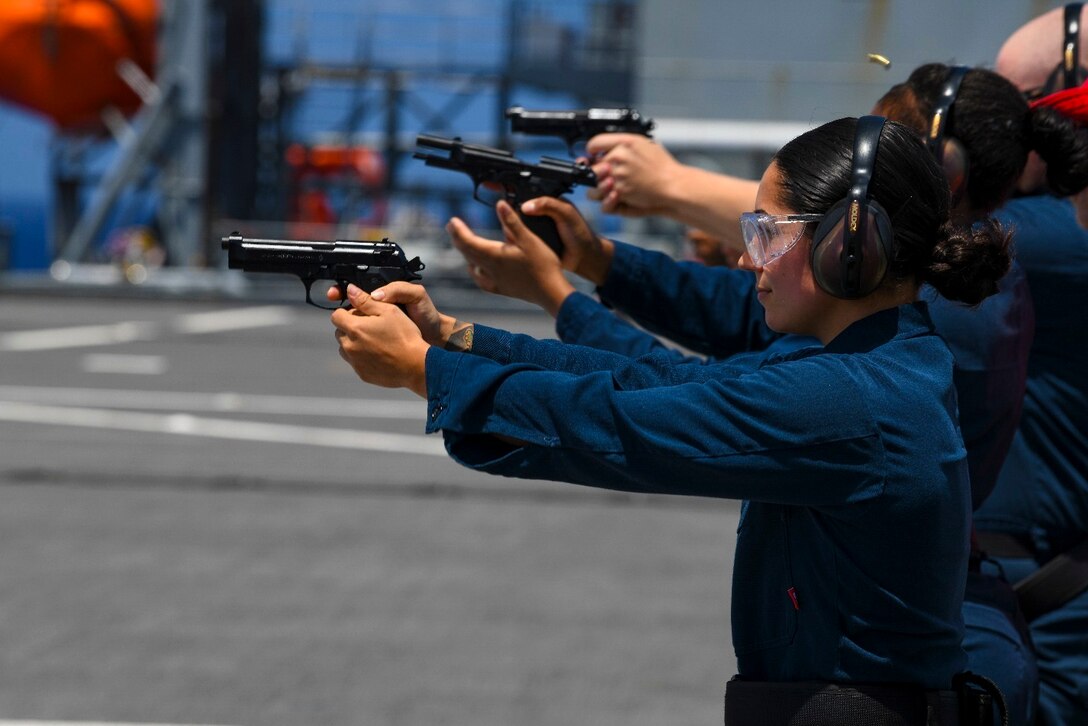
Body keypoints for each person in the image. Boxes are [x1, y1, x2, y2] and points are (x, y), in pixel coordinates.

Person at [448, 62, 1088, 725]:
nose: (752, 261)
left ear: (856, 234)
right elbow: (703, 364)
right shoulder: (892, 325)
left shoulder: (874, 371)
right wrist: (557, 287)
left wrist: (440, 368)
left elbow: (658, 411)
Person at [332, 117, 1012, 723]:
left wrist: (428, 374)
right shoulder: (877, 366)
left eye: (767, 233)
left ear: (849, 244)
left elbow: (623, 423)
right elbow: (665, 381)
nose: (747, 257)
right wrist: (453, 338)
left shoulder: (852, 399)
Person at [972, 6, 1088, 724]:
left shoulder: (1056, 240)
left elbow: (888, 232)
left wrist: (670, 188)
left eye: (1024, 116)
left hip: (1059, 599)